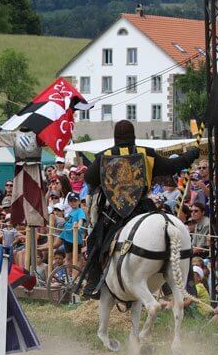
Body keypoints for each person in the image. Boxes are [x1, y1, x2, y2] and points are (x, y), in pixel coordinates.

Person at [80, 120, 199, 299]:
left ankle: (93, 284)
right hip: (144, 208)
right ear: (134, 136)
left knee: (94, 241)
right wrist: (191, 155)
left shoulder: (105, 156)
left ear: (115, 137)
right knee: (173, 235)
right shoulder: (147, 154)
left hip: (116, 213)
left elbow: (89, 178)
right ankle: (182, 286)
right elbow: (171, 166)